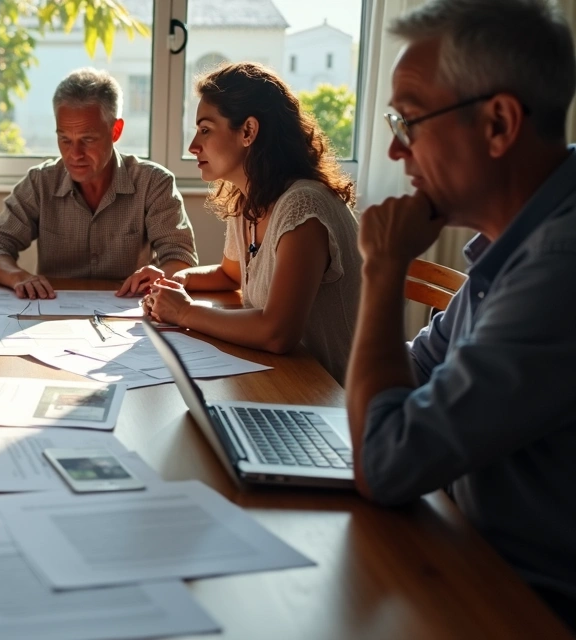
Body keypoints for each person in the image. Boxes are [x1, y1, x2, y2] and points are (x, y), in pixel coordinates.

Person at [344, 0, 576, 628]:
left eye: (408, 121)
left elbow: (386, 460)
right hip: (465, 566)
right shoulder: (513, 246)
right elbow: (413, 380)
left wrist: (384, 267)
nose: (396, 151)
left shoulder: (559, 266)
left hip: (526, 611)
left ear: (499, 124)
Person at [145, 63, 361, 384]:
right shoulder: (247, 199)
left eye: (205, 129)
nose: (193, 146)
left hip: (338, 397)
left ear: (248, 131)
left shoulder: (304, 206)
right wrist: (171, 279)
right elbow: (229, 274)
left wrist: (185, 312)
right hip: (290, 380)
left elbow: (277, 334)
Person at [0, 67, 198, 299]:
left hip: (128, 314)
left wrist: (161, 275)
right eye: (65, 139)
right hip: (52, 313)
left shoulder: (153, 183)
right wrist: (18, 276)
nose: (75, 154)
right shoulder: (40, 183)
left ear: (116, 130)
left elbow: (181, 258)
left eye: (87, 139)